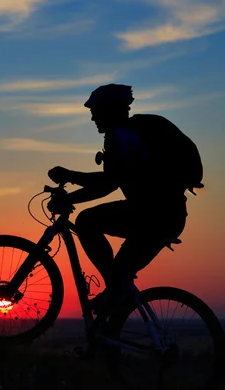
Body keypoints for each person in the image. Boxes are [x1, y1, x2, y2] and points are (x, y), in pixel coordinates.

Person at [46, 83, 192, 314]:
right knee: (118, 279)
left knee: (86, 221)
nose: (93, 117)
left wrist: (69, 189)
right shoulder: (133, 134)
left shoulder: (120, 136)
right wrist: (71, 179)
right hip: (166, 215)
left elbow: (107, 184)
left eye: (95, 111)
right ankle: (109, 334)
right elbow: (111, 179)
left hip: (153, 215)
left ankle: (115, 294)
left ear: (110, 110)